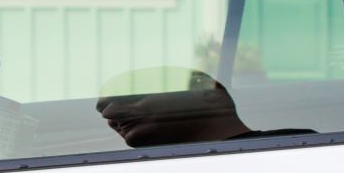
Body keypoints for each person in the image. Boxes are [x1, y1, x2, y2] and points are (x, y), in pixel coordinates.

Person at [96, 66, 313, 148]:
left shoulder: (301, 150)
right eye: (103, 109)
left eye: (130, 98)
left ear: (209, 92)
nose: (109, 114)